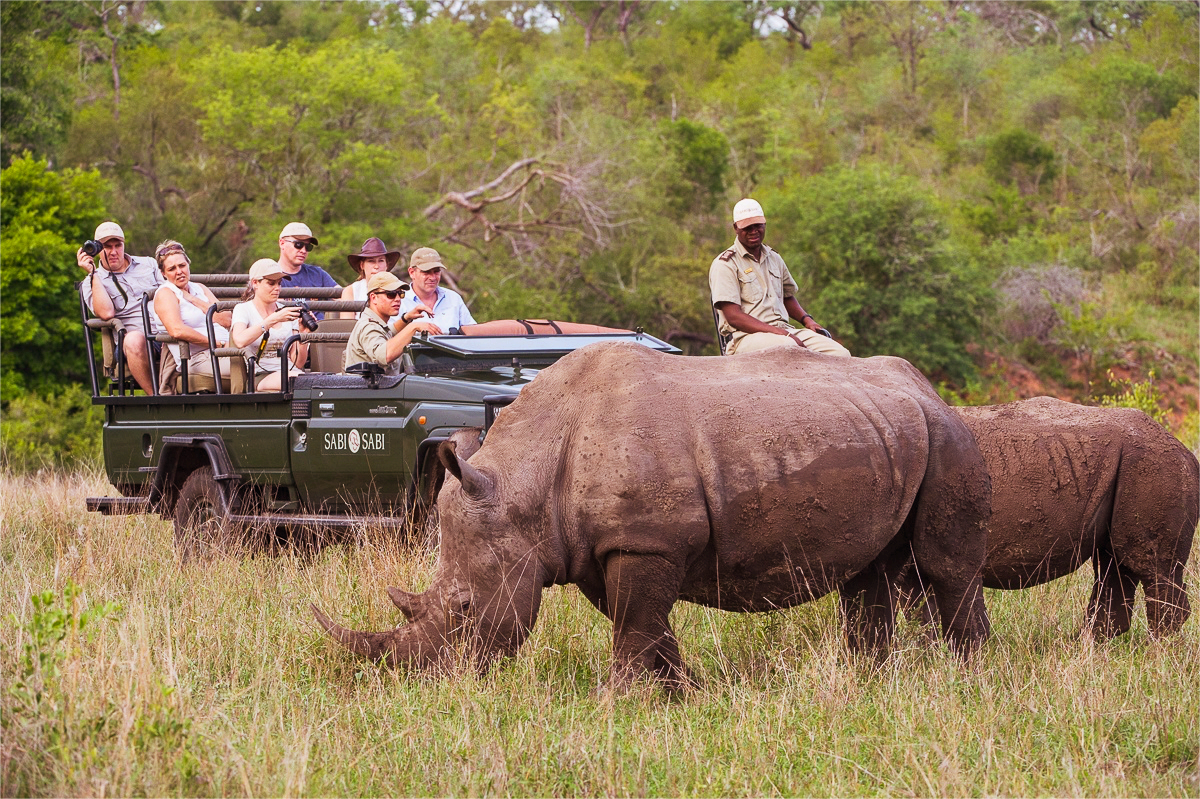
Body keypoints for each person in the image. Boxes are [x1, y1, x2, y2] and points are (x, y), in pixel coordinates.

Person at [709, 199, 850, 357]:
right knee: (789, 347)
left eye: (758, 225)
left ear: (765, 225)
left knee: (840, 354)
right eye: (747, 227)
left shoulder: (774, 258)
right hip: (747, 337)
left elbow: (787, 297)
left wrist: (807, 320)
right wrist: (780, 333)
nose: (754, 231)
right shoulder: (725, 264)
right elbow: (733, 316)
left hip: (785, 331)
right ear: (736, 228)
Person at [77, 221, 164, 393]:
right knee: (133, 340)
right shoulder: (91, 282)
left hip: (167, 330)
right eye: (107, 247)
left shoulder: (149, 264)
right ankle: (157, 399)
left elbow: (170, 293)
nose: (114, 252)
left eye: (118, 245)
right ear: (96, 250)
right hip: (137, 343)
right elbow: (106, 313)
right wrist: (93, 273)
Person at [151, 241, 234, 388]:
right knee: (254, 363)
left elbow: (227, 320)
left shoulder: (199, 288)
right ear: (163, 273)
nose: (179, 271)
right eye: (172, 268)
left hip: (227, 349)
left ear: (188, 264)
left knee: (269, 358)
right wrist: (218, 344)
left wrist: (193, 299)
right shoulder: (166, 293)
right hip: (199, 358)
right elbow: (177, 330)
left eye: (182, 265)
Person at [230, 259, 311, 391]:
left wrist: (303, 337)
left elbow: (298, 362)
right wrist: (271, 320)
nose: (277, 288)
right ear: (255, 283)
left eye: (279, 283)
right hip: (260, 374)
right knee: (305, 381)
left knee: (321, 381)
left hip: (291, 372)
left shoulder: (286, 311)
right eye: (271, 283)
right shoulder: (243, 309)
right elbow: (239, 340)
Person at [344, 272, 443, 375]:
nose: (397, 299)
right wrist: (413, 327)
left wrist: (406, 319)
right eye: (390, 294)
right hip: (368, 390)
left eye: (400, 294)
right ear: (373, 298)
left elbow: (388, 332)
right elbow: (385, 354)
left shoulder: (376, 323)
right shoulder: (368, 326)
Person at [397, 247, 476, 333]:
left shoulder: (453, 298)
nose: (432, 277)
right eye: (426, 272)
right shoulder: (398, 300)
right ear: (412, 272)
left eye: (436, 271)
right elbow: (388, 337)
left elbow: (472, 331)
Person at [340, 237, 402, 319]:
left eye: (381, 261)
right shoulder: (351, 291)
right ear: (362, 265)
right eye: (371, 261)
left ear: (386, 265)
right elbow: (346, 326)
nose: (376, 266)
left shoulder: (400, 288)